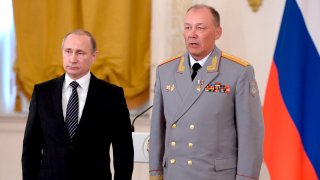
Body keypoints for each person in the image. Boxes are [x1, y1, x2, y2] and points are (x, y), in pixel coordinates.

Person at [149, 4, 264, 180]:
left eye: (200, 28)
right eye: (188, 27)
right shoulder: (165, 71)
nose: (192, 34)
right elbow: (157, 130)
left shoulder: (239, 72)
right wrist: (156, 173)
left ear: (218, 32)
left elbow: (251, 137)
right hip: (175, 174)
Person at [22, 29, 134, 180]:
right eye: (68, 51)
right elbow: (31, 148)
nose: (73, 59)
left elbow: (124, 151)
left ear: (94, 56)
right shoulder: (42, 93)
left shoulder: (112, 96)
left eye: (80, 53)